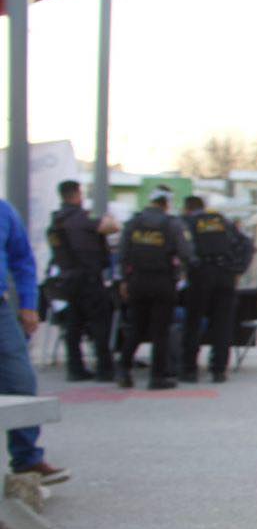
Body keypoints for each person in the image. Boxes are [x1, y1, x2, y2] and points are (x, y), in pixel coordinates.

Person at [0, 198, 69, 484]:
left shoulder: (4, 211)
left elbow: (22, 259)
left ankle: (27, 459)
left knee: (21, 381)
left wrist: (29, 304)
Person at [117, 188, 191, 390]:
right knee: (161, 331)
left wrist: (124, 280)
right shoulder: (172, 224)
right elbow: (185, 251)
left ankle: (124, 370)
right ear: (166, 203)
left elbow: (122, 253)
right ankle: (157, 377)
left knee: (136, 328)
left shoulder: (133, 223)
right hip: (163, 281)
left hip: (137, 281)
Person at [179, 195, 254, 383]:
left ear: (187, 208)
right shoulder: (222, 221)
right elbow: (246, 244)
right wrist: (238, 269)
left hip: (200, 275)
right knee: (223, 324)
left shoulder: (188, 222)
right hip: (225, 276)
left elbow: (183, 248)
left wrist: (190, 267)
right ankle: (219, 370)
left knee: (193, 323)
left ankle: (189, 369)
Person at [47, 179, 116, 382]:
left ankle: (75, 368)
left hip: (68, 279)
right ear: (78, 194)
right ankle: (105, 369)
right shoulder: (80, 219)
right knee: (99, 324)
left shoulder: (56, 222)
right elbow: (111, 227)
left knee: (73, 325)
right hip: (89, 279)